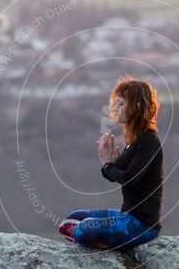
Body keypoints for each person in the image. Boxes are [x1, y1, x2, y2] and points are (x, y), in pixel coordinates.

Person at [59, 73, 163, 251]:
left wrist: (109, 165)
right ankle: (105, 240)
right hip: (126, 215)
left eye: (121, 103)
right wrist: (108, 164)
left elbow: (130, 178)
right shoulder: (134, 140)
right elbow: (115, 175)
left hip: (141, 225)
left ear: (137, 106)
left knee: (82, 230)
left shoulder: (149, 141)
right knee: (73, 218)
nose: (116, 108)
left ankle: (109, 245)